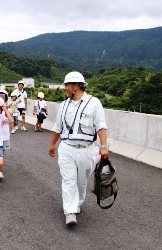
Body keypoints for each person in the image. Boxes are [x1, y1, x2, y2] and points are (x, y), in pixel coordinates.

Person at [48, 71, 109, 225]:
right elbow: (57, 127)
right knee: (69, 180)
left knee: (81, 182)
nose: (65, 88)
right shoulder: (63, 105)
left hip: (87, 149)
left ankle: (77, 203)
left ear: (76, 86)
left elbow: (101, 126)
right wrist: (52, 144)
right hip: (67, 148)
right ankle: (70, 212)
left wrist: (104, 146)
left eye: (67, 85)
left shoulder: (94, 103)